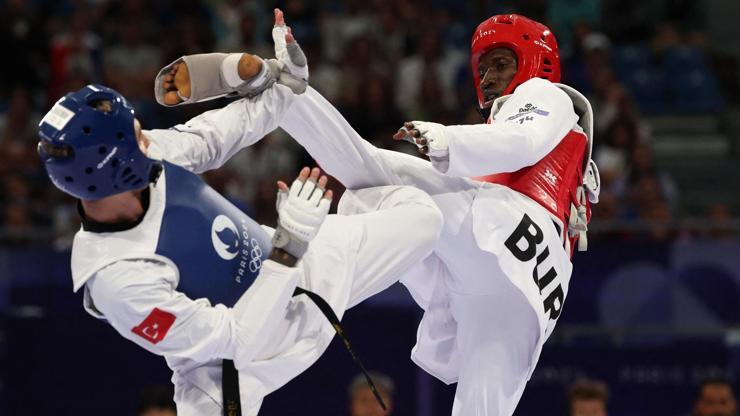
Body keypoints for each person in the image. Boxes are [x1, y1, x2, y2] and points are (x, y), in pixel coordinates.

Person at [159, 9, 600, 415]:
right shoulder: (535, 128)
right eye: (482, 68)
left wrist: (445, 140)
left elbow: (520, 143)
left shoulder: (548, 95)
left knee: (370, 174)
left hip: (511, 232)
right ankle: (285, 98)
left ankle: (282, 92)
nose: (486, 78)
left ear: (534, 62)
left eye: (500, 64)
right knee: (371, 202)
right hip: (532, 296)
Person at [37, 56, 442, 416]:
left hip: (305, 268)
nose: (148, 139)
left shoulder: (147, 160)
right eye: (138, 136)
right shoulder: (120, 280)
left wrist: (276, 81)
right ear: (115, 165)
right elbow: (236, 341)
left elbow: (212, 136)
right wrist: (291, 244)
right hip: (237, 367)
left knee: (424, 219)